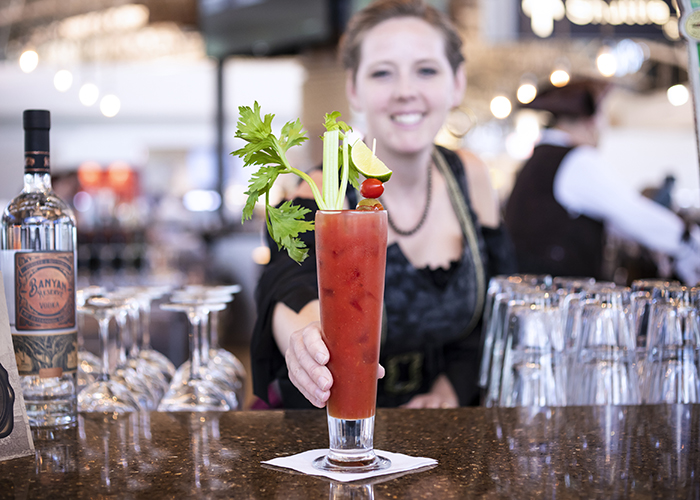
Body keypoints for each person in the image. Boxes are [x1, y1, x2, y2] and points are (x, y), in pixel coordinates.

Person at [250, 0, 516, 410]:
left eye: (426, 70)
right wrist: (306, 340)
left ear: (456, 83)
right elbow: (289, 287)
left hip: (444, 445)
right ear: (354, 88)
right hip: (333, 438)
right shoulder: (323, 190)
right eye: (382, 73)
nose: (405, 90)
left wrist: (450, 392)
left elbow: (496, 313)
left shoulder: (472, 178)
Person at [504, 79, 700, 285]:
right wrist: (688, 240)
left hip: (532, 292)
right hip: (558, 299)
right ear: (590, 121)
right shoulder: (576, 160)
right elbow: (632, 213)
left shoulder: (543, 157)